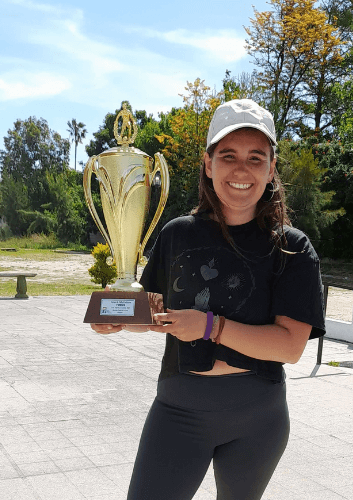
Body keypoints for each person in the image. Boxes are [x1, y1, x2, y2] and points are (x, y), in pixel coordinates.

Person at [91, 99, 326, 500]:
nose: (241, 169)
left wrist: (209, 326)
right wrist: (116, 314)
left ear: (271, 168)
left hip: (259, 417)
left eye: (256, 157)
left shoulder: (291, 247)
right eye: (228, 155)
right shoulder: (178, 233)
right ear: (208, 163)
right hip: (179, 411)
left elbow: (289, 347)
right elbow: (157, 312)